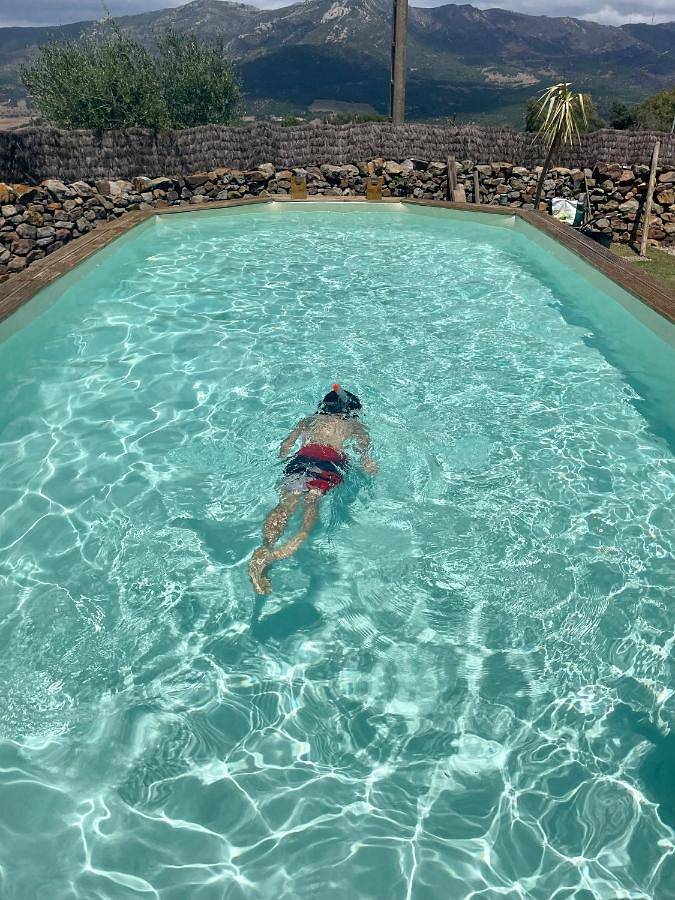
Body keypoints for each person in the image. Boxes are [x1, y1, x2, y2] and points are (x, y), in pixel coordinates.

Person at [249, 384, 378, 595]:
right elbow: (365, 455)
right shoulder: (355, 426)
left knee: (286, 503)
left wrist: (288, 453)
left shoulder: (309, 420)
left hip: (301, 460)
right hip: (328, 462)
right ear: (352, 411)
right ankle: (295, 540)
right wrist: (368, 465)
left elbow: (285, 448)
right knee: (312, 500)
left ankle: (265, 546)